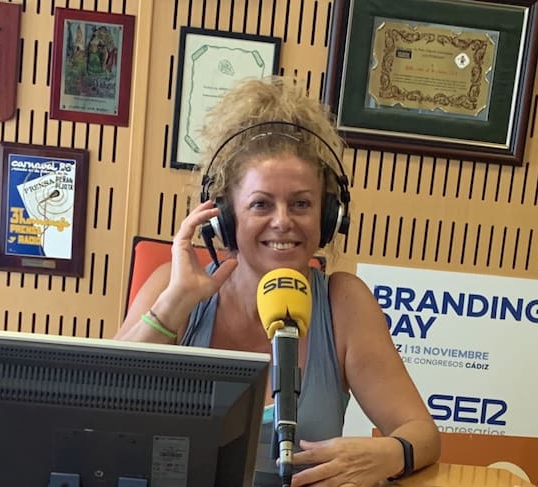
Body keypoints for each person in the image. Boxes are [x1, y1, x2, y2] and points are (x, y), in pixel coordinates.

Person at [116, 76, 440, 486]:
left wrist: (388, 453)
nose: (283, 221)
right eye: (261, 204)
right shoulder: (172, 288)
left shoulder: (342, 303)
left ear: (328, 217)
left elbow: (422, 434)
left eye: (301, 203)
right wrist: (175, 303)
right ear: (225, 217)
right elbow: (97, 406)